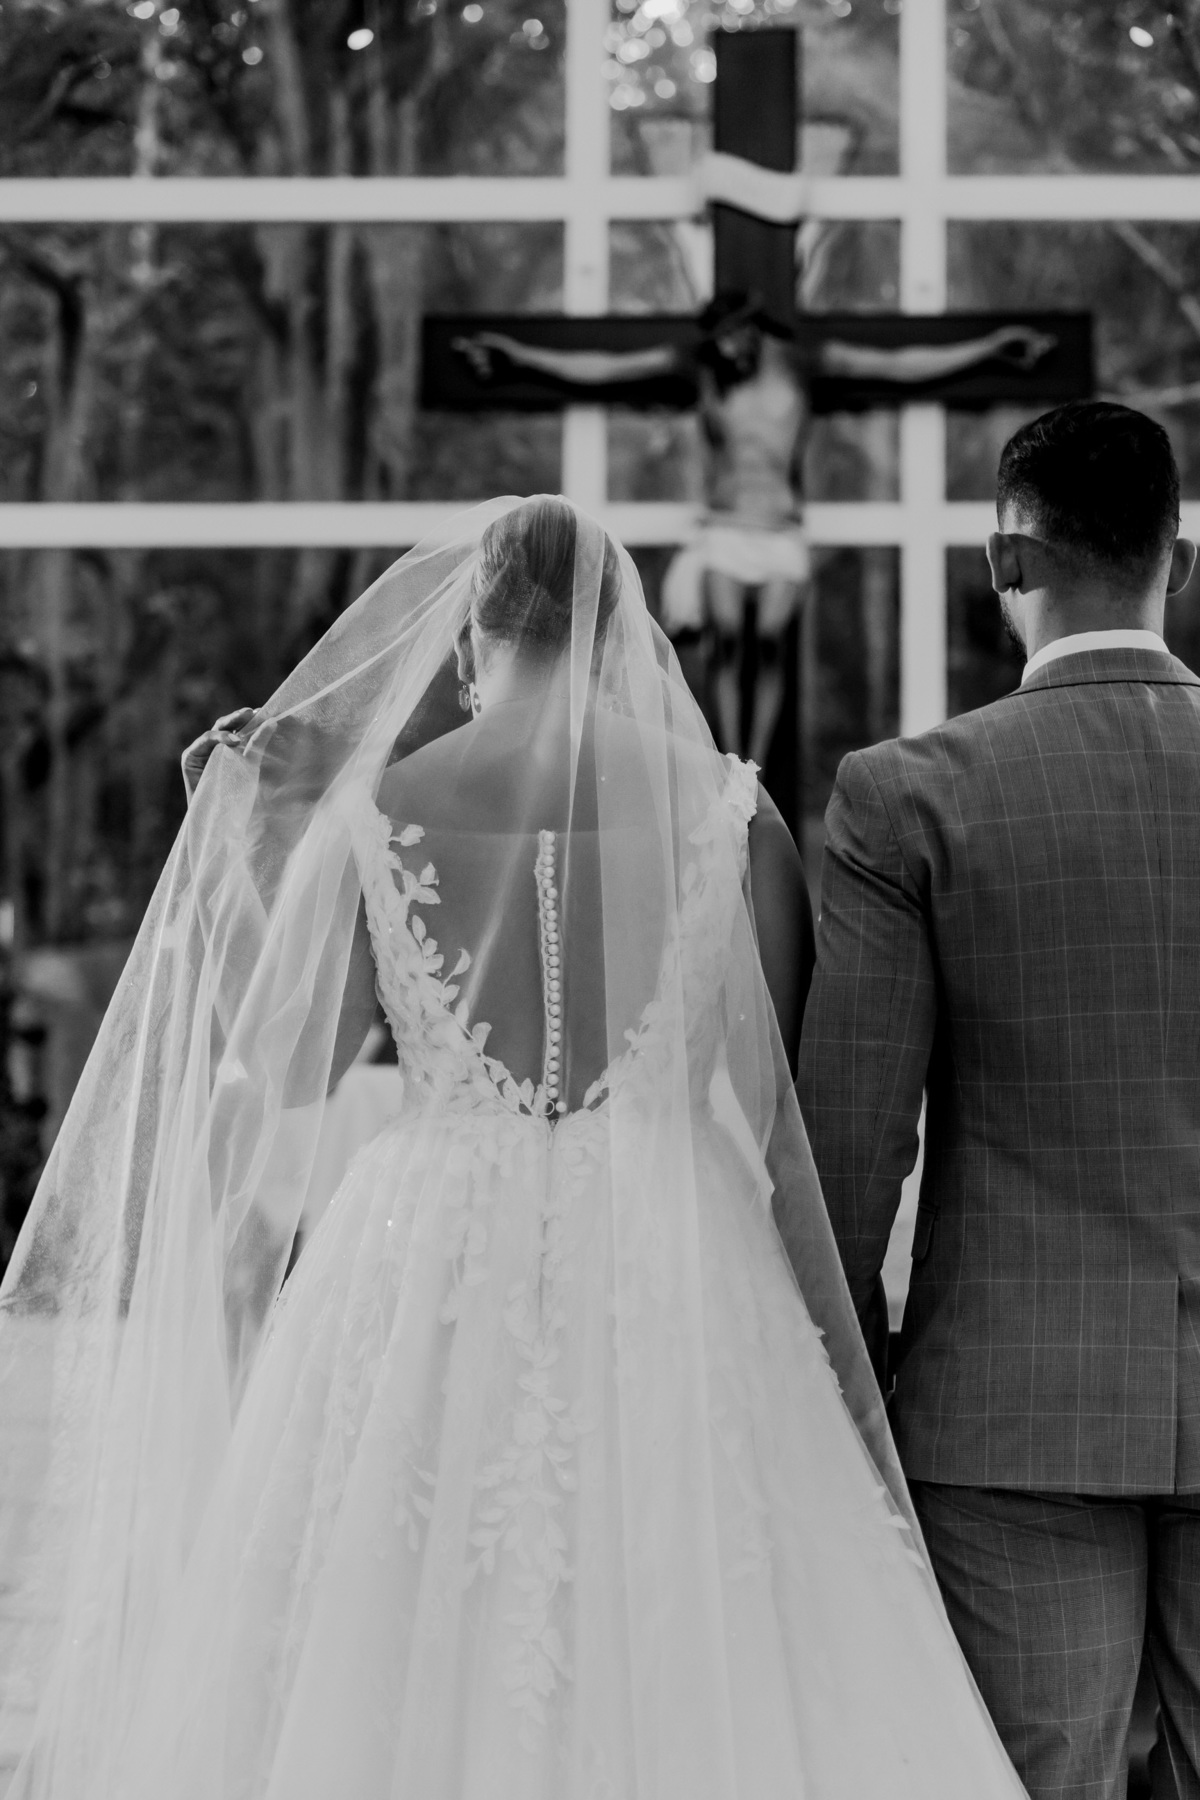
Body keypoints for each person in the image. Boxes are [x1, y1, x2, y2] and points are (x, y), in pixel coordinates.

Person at [0, 498, 1024, 1799]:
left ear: (471, 640)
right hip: (673, 1254)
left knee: (387, 1614)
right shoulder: (730, 813)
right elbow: (781, 1129)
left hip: (430, 1250)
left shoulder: (382, 811)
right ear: (616, 637)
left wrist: (246, 854)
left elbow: (298, 1068)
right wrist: (851, 1371)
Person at [797, 400, 1200, 1800]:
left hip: (1009, 1421)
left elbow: (850, 1149)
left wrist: (834, 1400)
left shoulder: (905, 800)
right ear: (1182, 561)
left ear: (1003, 566)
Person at [454, 302, 1056, 764]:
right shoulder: (703, 370)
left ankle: (753, 760)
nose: (728, 355)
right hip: (722, 528)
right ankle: (728, 752)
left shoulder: (799, 363)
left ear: (753, 330)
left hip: (780, 529)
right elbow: (605, 369)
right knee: (728, 644)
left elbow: (897, 365)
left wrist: (991, 350)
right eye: (717, 346)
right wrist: (520, 356)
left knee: (768, 643)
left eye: (734, 341)